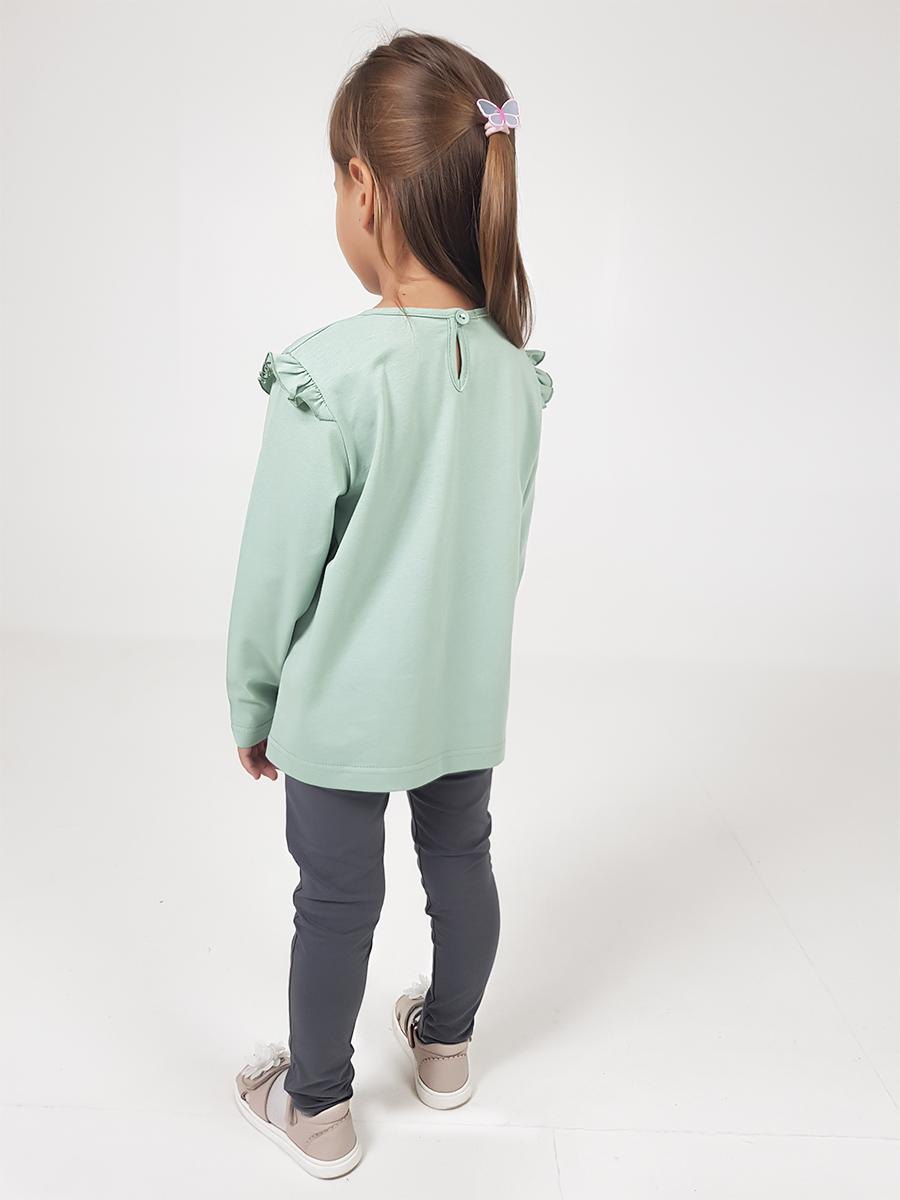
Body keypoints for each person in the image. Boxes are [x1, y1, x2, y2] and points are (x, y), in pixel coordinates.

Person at [226, 29, 553, 1180]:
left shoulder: (330, 374)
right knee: (462, 859)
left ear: (363, 189)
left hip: (343, 709)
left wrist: (255, 701)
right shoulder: (516, 374)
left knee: (336, 901)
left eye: (337, 182)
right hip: (463, 697)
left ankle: (316, 1106)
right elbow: (502, 550)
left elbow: (276, 571)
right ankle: (447, 1049)